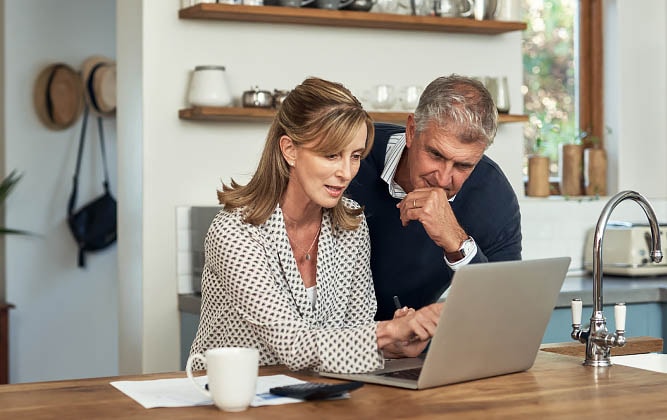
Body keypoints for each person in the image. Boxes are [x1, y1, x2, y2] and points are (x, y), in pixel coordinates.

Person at [189, 77, 442, 374]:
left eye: (356, 156)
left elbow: (354, 330)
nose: (346, 172)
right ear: (290, 150)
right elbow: (293, 345)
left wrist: (393, 346)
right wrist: (387, 332)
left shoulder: (351, 226)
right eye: (331, 154)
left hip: (317, 396)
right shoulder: (235, 232)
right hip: (234, 398)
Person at [346, 74, 522, 321]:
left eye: (463, 165)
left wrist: (457, 243)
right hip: (331, 343)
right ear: (411, 130)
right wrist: (378, 336)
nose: (443, 179)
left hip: (412, 347)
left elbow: (504, 310)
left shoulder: (493, 194)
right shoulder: (353, 155)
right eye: (436, 155)